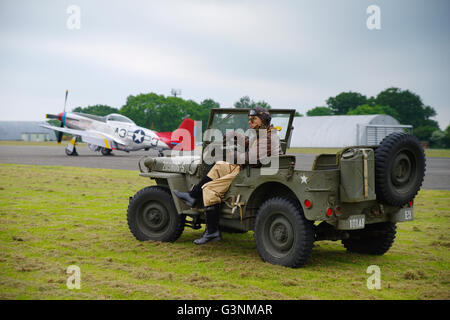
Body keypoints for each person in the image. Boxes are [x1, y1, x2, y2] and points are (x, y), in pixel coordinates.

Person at [173, 106, 282, 245]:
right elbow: (252, 145)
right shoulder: (264, 133)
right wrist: (236, 135)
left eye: (253, 119)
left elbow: (251, 157)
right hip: (250, 170)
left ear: (263, 120)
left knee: (209, 189)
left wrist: (235, 156)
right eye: (249, 119)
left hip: (250, 173)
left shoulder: (268, 137)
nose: (250, 122)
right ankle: (192, 196)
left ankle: (212, 232)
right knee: (219, 166)